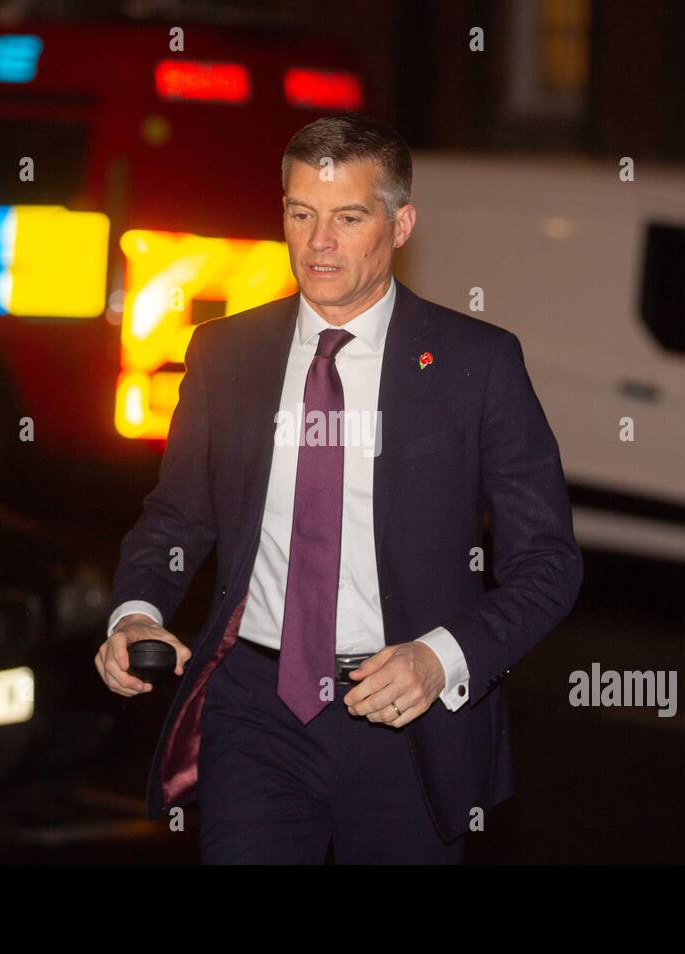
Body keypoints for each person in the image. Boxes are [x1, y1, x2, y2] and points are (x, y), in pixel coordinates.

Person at [94, 112, 583, 864]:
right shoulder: (226, 354)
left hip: (404, 717)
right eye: (301, 213)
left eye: (348, 217)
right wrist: (134, 611)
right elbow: (178, 514)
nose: (318, 243)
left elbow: (548, 560)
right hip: (255, 711)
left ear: (401, 222)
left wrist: (442, 657)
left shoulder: (474, 364)